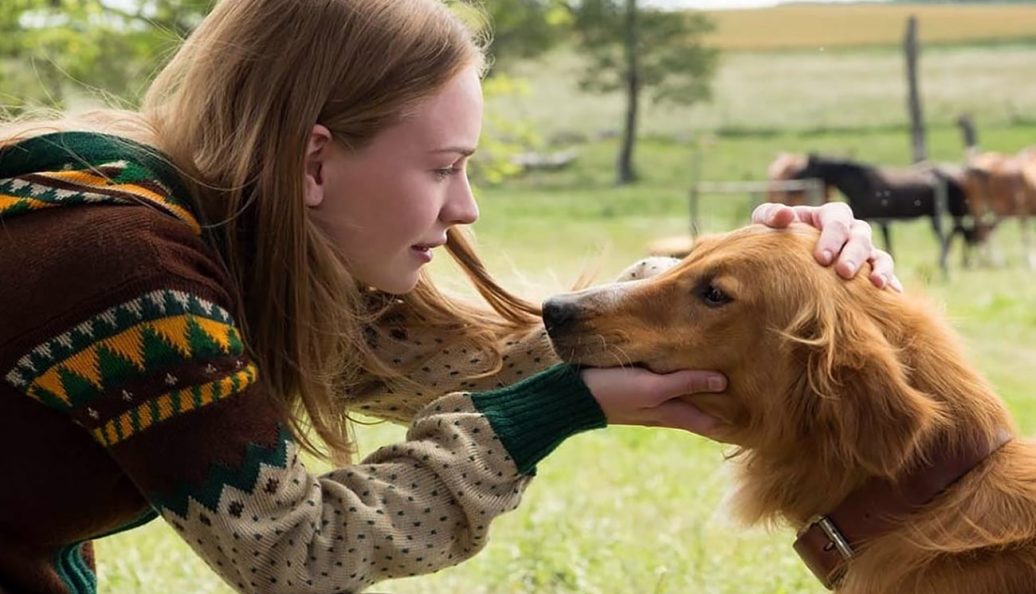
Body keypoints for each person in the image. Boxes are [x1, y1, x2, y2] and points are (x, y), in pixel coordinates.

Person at [0, 0, 898, 592]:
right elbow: (295, 551)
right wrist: (557, 409)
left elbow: (471, 354)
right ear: (314, 162)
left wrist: (758, 271)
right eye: (443, 168)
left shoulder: (223, 233)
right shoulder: (129, 274)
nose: (464, 207)